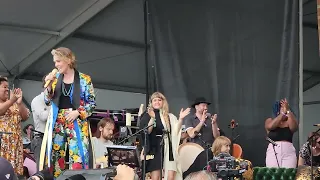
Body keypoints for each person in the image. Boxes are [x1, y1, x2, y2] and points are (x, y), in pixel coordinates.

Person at [43, 47, 96, 178]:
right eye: (55, 62)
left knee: (78, 156)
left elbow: (92, 103)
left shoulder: (84, 79)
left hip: (76, 121)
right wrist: (48, 86)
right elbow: (47, 100)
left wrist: (78, 112)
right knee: (56, 157)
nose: (56, 65)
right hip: (57, 122)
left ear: (68, 60)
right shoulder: (54, 79)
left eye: (58, 61)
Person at [139, 92, 190, 180]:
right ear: (151, 102)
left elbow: (175, 131)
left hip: (168, 147)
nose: (157, 102)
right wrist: (153, 118)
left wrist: (181, 118)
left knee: (171, 177)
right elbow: (147, 131)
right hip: (154, 149)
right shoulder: (147, 115)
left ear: (163, 102)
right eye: (155, 100)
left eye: (159, 100)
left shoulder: (169, 116)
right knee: (156, 177)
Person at [183, 136, 253, 180]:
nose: (229, 148)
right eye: (226, 146)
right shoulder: (205, 155)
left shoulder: (225, 156)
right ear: (219, 146)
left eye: (229, 146)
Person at [0, 76, 30, 175]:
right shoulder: (9, 103)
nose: (7, 89)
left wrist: (19, 103)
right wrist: (12, 100)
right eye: (4, 87)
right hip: (3, 145)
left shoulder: (13, 105)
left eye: (8, 87)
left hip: (15, 146)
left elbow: (25, 117)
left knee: (14, 174)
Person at [265, 98, 298, 168]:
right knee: (273, 174)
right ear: (278, 110)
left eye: (286, 107)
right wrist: (282, 114)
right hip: (273, 151)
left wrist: (288, 111)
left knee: (288, 174)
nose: (285, 109)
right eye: (282, 108)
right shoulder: (270, 120)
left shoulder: (289, 121)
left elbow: (294, 127)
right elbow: (270, 126)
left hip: (288, 151)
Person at [31, 76, 50, 170]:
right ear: (45, 86)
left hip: (54, 139)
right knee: (42, 169)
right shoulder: (37, 100)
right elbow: (44, 117)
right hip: (40, 139)